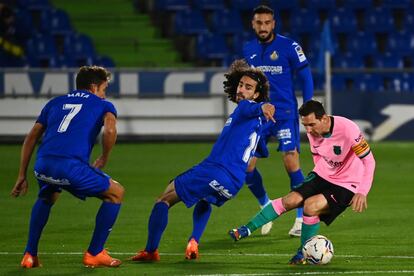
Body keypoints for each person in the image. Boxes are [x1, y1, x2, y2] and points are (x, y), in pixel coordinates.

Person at [130, 60, 275, 262]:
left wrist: (264, 106)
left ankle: (150, 251)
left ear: (257, 95)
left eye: (248, 87)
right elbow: (259, 152)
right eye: (241, 85)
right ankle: (193, 241)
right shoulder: (259, 125)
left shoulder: (247, 108)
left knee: (163, 200)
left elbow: (253, 109)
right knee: (205, 198)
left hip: (214, 170)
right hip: (233, 184)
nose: (241, 90)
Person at [229, 100, 376, 264]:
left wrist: (362, 191)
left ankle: (303, 252)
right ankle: (246, 229)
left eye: (312, 124)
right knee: (290, 200)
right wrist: (321, 172)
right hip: (323, 174)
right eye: (305, 125)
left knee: (311, 206)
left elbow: (369, 161)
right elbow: (317, 155)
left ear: (325, 119)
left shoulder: (348, 129)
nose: (308, 130)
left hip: (348, 183)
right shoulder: (313, 131)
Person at [11, 66, 124, 268]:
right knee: (116, 193)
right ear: (94, 87)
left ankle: (30, 254)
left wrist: (21, 174)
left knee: (48, 194)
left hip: (43, 164)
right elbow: (110, 130)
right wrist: (104, 157)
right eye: (104, 88)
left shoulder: (55, 102)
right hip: (70, 166)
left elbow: (31, 137)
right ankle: (95, 252)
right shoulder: (102, 105)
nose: (105, 93)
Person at [243, 5, 314, 236]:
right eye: (258, 23)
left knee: (291, 162)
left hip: (285, 114)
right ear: (253, 24)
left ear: (273, 24)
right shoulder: (249, 48)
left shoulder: (289, 46)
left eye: (267, 23)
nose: (263, 27)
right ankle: (265, 205)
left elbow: (305, 76)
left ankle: (301, 218)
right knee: (247, 167)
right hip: (260, 115)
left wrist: (308, 104)